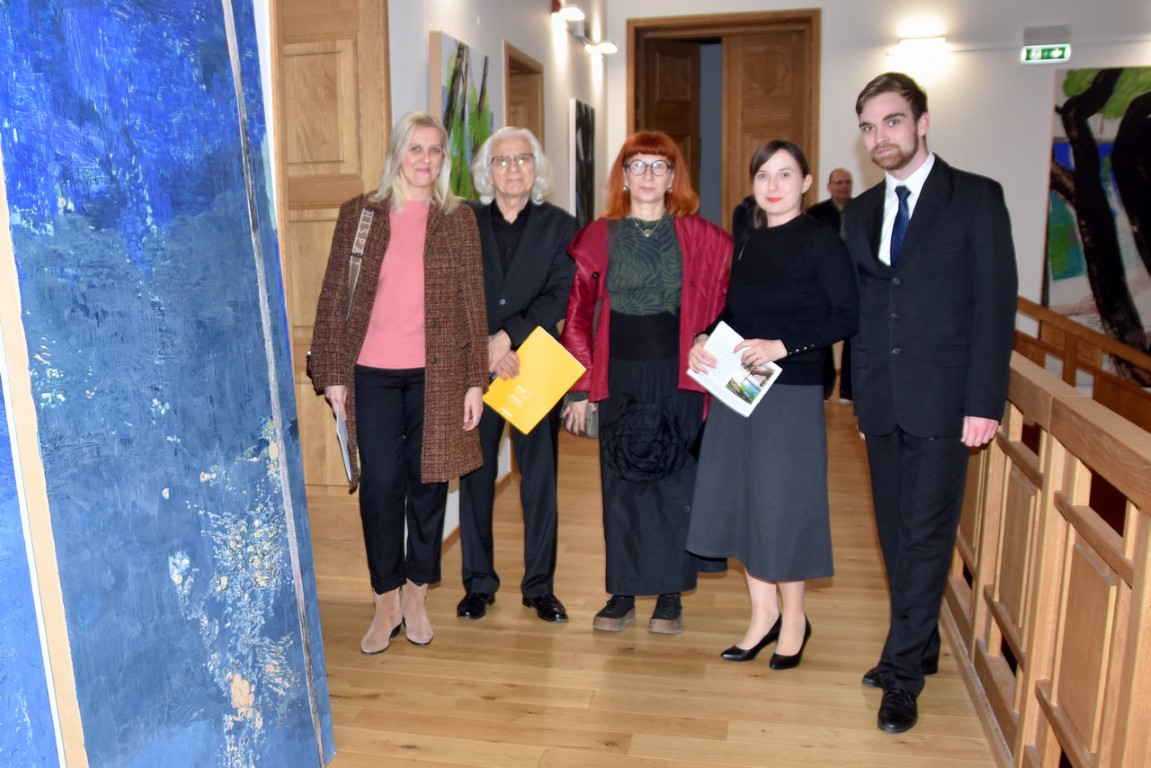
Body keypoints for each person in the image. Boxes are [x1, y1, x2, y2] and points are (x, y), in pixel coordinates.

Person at [845, 72, 1018, 733]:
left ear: (921, 123)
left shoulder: (974, 198)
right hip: (883, 403)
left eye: (891, 121)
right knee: (894, 535)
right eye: (868, 127)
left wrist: (984, 402)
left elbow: (994, 306)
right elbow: (863, 311)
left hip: (947, 403)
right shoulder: (861, 212)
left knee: (925, 537)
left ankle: (902, 676)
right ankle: (918, 643)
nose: (879, 137)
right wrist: (859, 397)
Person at [309, 111, 488, 655]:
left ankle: (416, 593)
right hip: (373, 374)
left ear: (443, 159)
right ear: (397, 154)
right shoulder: (360, 214)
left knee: (429, 484)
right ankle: (385, 598)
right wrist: (333, 375)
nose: (425, 160)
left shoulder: (458, 219)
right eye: (416, 148)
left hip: (439, 374)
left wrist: (474, 381)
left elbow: (472, 304)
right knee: (381, 484)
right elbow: (334, 296)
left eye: (435, 150)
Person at [687, 141, 858, 671]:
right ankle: (762, 617)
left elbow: (847, 316)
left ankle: (795, 620)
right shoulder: (749, 241)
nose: (773, 185)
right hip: (741, 387)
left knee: (783, 505)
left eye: (785, 175)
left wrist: (783, 346)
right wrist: (703, 336)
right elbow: (737, 314)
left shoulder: (822, 241)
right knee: (745, 500)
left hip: (792, 392)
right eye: (764, 175)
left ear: (806, 183)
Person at [560, 130, 730, 634]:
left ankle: (670, 595)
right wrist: (580, 389)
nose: (649, 175)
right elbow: (578, 315)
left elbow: (728, 301)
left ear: (674, 177)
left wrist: (709, 335)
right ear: (624, 177)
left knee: (674, 483)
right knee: (621, 485)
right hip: (618, 376)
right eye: (638, 165)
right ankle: (622, 593)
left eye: (659, 166)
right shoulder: (599, 236)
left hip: (679, 374)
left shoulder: (702, 238)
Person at [456, 127, 577, 623]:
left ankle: (539, 587)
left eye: (522, 159)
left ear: (536, 167)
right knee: (476, 477)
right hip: (477, 368)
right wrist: (485, 347)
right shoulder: (464, 221)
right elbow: (454, 290)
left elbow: (560, 293)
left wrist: (508, 337)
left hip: (536, 364)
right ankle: (478, 584)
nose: (513, 168)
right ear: (487, 172)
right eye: (502, 160)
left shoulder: (562, 226)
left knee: (539, 480)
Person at [806, 168, 856, 402]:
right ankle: (825, 387)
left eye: (847, 182)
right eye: (838, 182)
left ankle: (848, 389)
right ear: (829, 186)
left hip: (855, 278)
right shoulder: (815, 213)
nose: (843, 186)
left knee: (853, 333)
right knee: (822, 331)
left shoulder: (862, 210)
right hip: (823, 281)